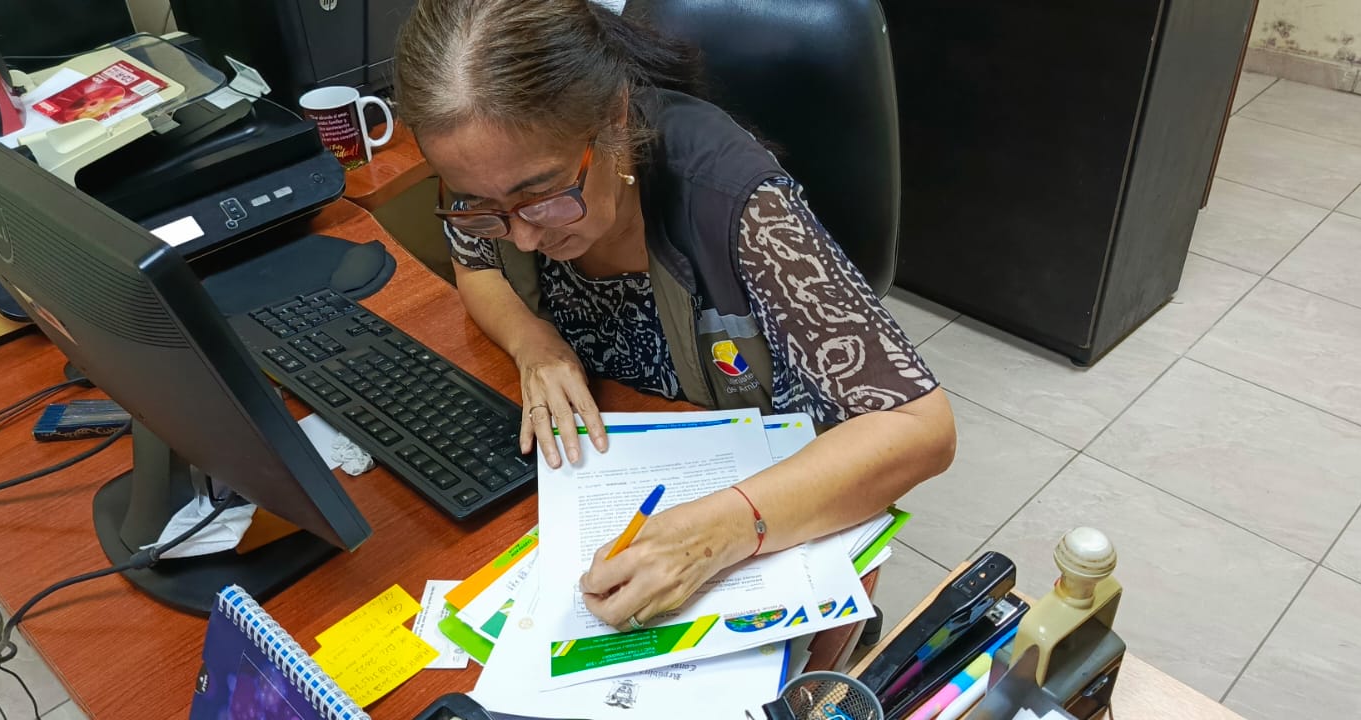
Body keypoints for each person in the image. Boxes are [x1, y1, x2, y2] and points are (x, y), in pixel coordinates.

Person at [394, 0, 956, 631]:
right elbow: (478, 268)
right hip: (613, 466)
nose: (522, 236)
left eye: (544, 195)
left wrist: (722, 530)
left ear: (614, 117)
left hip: (762, 479)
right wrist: (534, 344)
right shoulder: (492, 179)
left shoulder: (734, 200)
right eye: (481, 205)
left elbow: (921, 427)